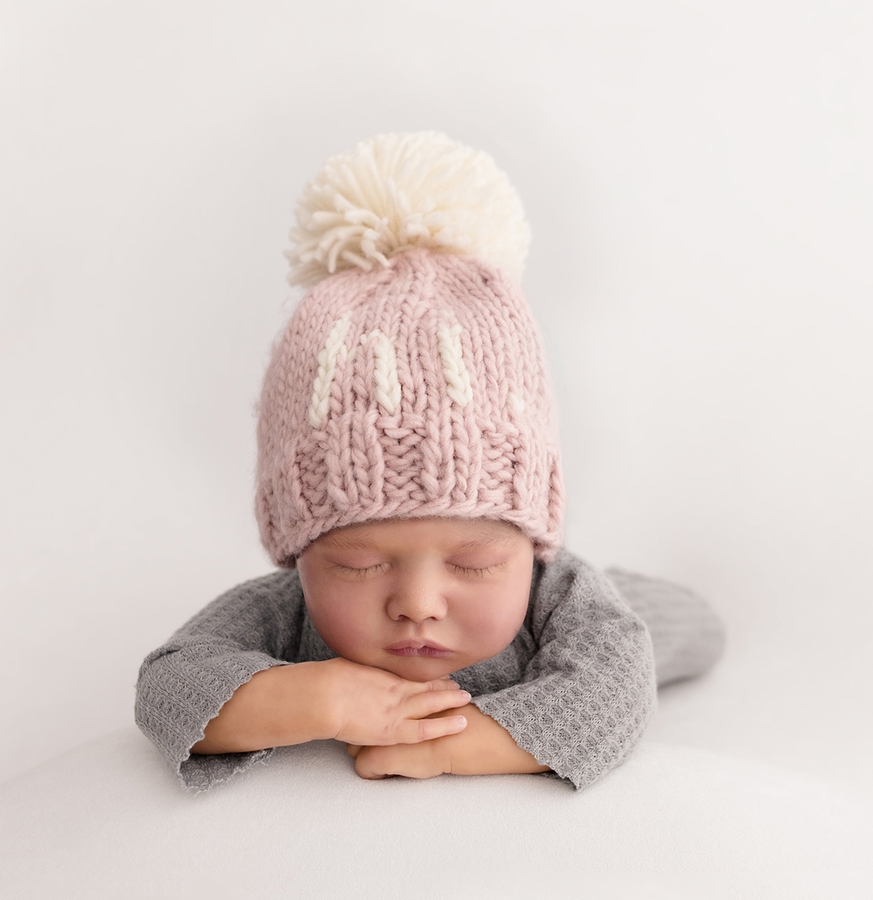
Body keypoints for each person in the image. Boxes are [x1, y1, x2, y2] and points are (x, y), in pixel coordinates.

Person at [135, 132, 724, 792]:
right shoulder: (291, 610)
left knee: (666, 624)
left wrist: (462, 743)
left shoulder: (558, 595)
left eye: (475, 563)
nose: (417, 605)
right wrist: (311, 698)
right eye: (358, 564)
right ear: (298, 550)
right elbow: (167, 685)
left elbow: (617, 688)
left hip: (635, 613)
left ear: (531, 545)